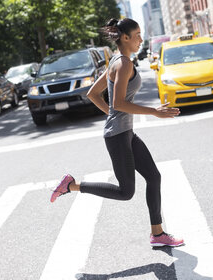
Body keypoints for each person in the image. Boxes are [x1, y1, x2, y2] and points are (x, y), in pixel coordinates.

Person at [50, 18, 184, 248]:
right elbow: (119, 103)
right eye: (138, 35)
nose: (141, 39)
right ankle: (71, 185)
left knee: (153, 176)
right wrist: (154, 112)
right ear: (125, 37)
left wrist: (112, 114)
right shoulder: (123, 64)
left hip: (125, 133)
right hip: (118, 137)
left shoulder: (116, 61)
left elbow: (93, 94)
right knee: (125, 192)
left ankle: (158, 233)